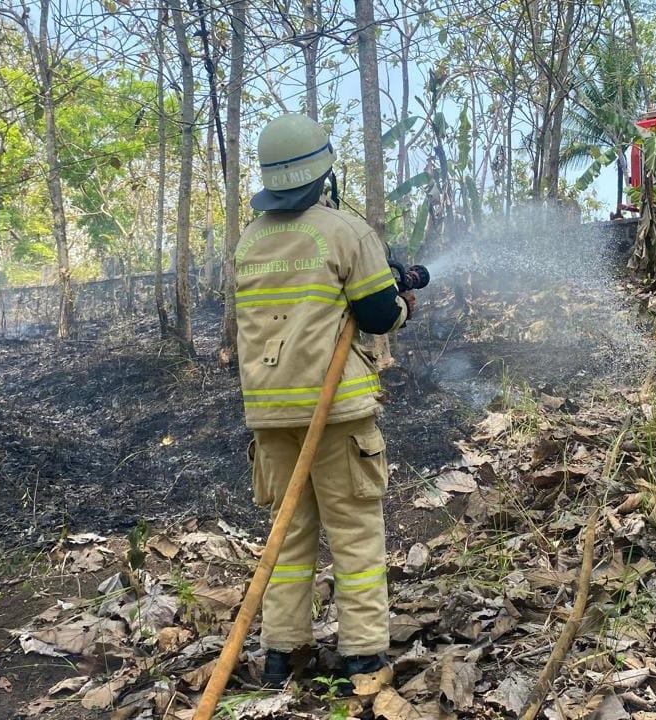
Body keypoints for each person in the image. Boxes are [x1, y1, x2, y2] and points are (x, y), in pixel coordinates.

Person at [235, 113, 414, 687]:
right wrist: (405, 301)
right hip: (336, 411)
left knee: (288, 535)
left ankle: (283, 652)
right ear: (323, 175)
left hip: (269, 413)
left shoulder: (248, 239)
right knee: (355, 531)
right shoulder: (345, 231)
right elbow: (378, 313)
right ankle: (362, 654)